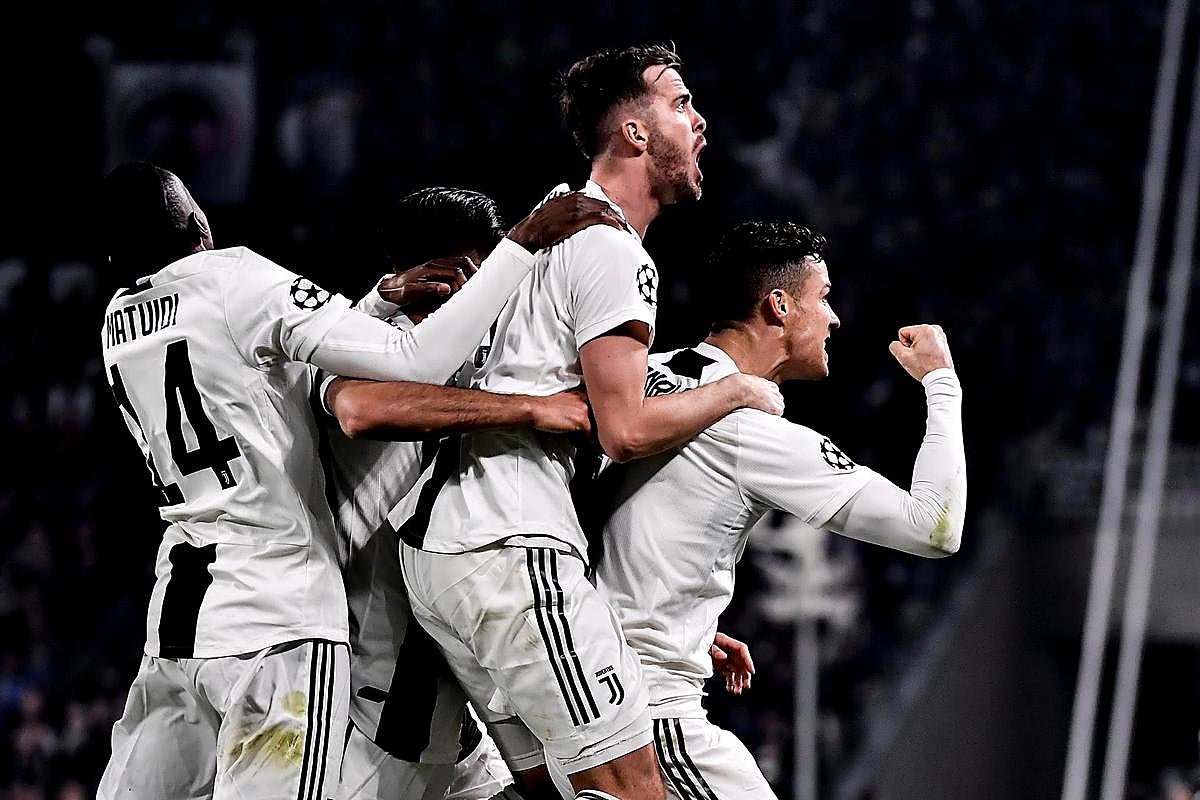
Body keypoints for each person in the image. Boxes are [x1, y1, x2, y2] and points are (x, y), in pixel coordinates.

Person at [96, 162, 621, 800]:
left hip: (186, 613)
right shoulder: (236, 279)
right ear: (200, 227)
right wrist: (522, 246)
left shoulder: (118, 322)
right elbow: (383, 383)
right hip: (286, 618)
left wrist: (377, 299)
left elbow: (277, 372)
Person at [390, 44, 783, 800]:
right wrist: (735, 391)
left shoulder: (546, 233)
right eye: (681, 104)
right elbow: (624, 431)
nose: (700, 122)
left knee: (556, 788)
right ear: (634, 132)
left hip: (445, 552)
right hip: (512, 540)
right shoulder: (609, 248)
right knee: (635, 786)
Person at [591, 221, 968, 799]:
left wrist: (674, 619)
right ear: (779, 306)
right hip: (651, 713)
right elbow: (934, 527)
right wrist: (942, 384)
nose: (834, 318)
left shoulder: (637, 381)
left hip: (578, 680)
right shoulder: (750, 429)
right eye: (824, 297)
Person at [321, 187, 584, 800]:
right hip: (385, 682)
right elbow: (363, 410)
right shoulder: (358, 346)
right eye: (487, 275)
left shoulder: (479, 359)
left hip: (452, 663)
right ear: (450, 275)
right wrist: (529, 409)